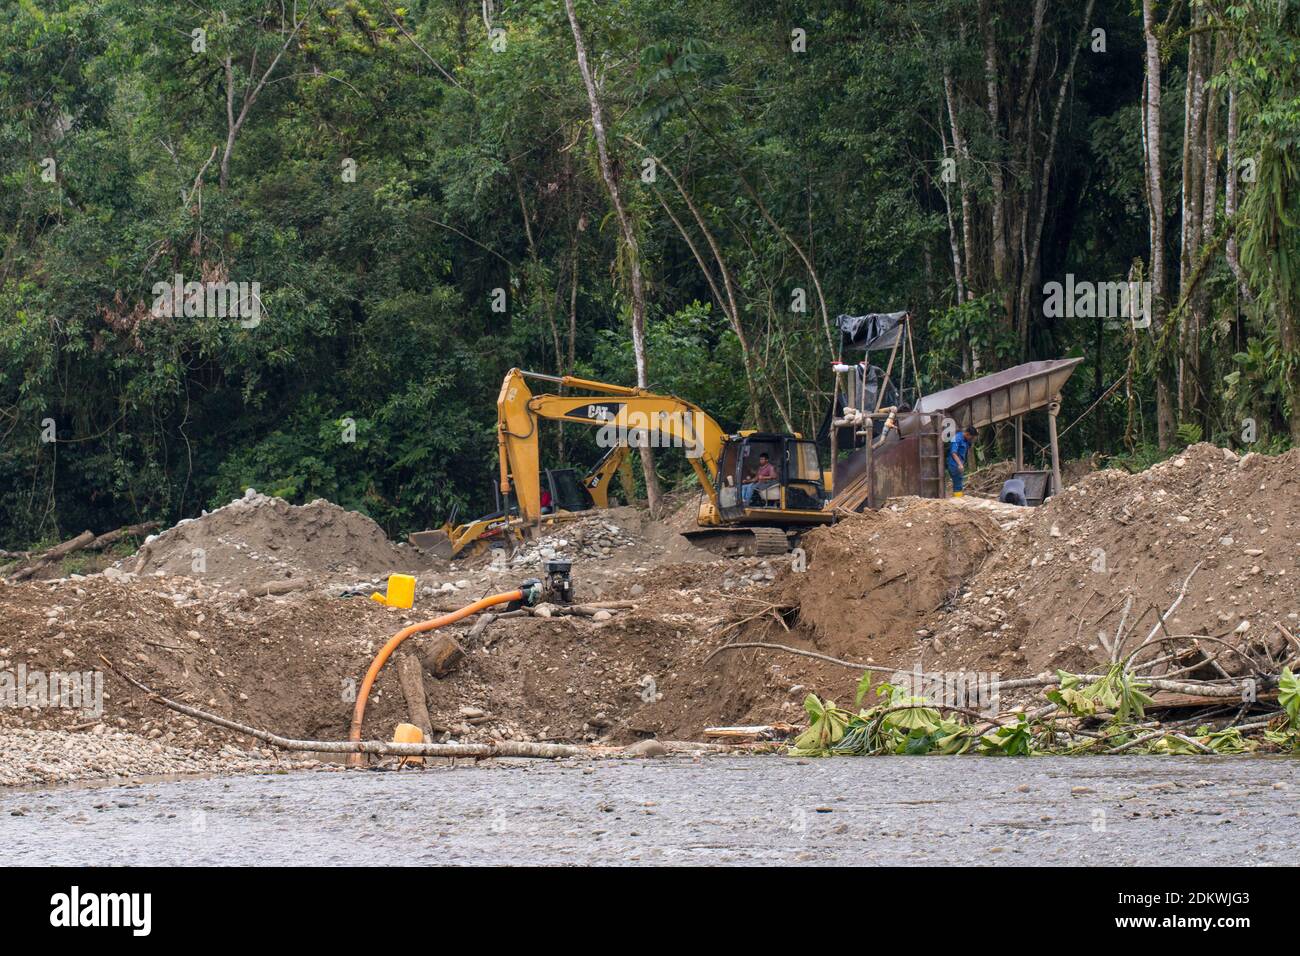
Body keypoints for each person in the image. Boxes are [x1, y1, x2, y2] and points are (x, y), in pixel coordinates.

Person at [948, 425, 977, 497]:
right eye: (971, 437)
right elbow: (953, 453)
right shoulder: (957, 438)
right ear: (967, 434)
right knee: (958, 484)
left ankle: (958, 498)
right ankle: (958, 500)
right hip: (954, 464)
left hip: (958, 463)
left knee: (959, 483)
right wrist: (960, 464)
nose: (972, 439)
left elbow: (969, 445)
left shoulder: (966, 439)